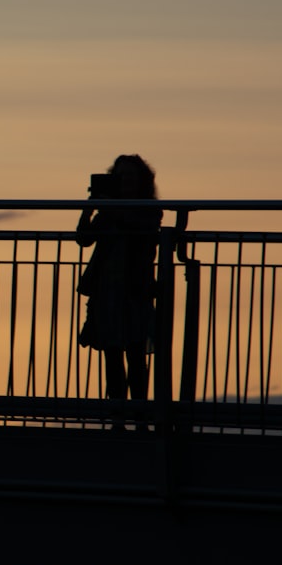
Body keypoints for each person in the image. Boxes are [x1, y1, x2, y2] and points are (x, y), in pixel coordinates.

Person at [75, 154, 162, 414]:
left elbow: (140, 230)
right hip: (107, 290)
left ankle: (139, 413)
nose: (125, 180)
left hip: (134, 290)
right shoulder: (108, 211)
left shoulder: (149, 209)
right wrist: (89, 209)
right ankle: (118, 415)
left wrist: (110, 208)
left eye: (131, 176)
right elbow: (83, 239)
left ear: (141, 181)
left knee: (135, 354)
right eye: (121, 175)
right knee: (111, 355)